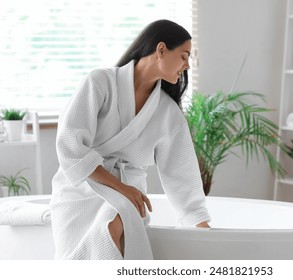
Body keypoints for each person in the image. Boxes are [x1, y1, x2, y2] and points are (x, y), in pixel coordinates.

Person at [50, 19, 210, 260]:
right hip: (81, 188)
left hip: (127, 195)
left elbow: (181, 173)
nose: (187, 65)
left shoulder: (167, 112)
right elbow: (70, 146)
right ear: (161, 49)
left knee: (112, 223)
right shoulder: (100, 82)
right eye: (184, 56)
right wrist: (120, 187)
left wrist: (201, 226)